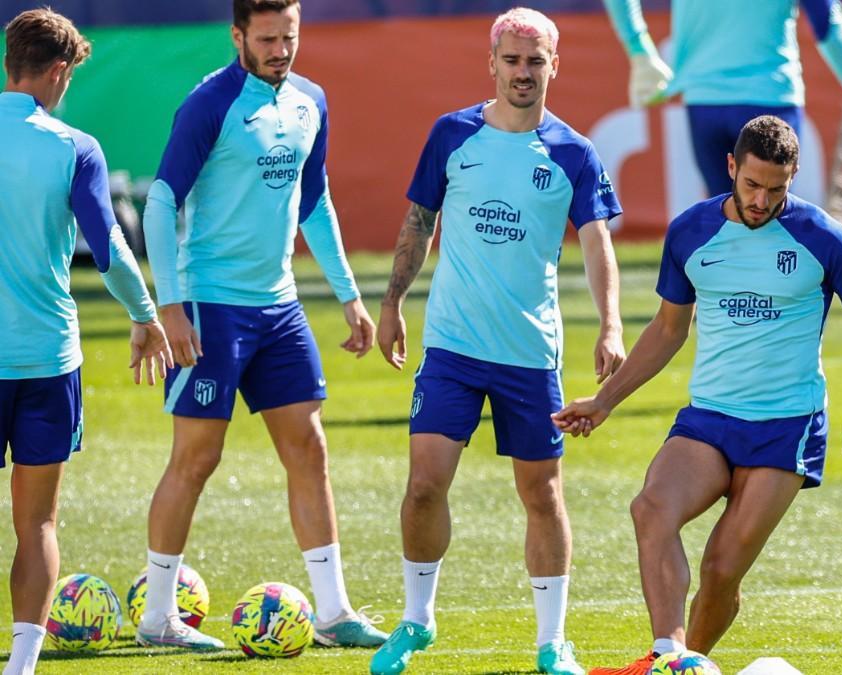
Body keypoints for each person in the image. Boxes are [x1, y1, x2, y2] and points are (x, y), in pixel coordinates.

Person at [552, 116, 842, 674]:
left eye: (776, 189)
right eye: (752, 185)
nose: (762, 200)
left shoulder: (823, 237)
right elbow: (668, 329)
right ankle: (669, 653)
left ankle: (689, 665)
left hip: (787, 428)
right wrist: (605, 400)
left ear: (793, 178)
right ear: (732, 168)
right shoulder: (691, 232)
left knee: (720, 571)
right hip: (708, 419)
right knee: (651, 509)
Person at [370, 7, 624, 675]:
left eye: (534, 61)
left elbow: (597, 245)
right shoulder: (452, 134)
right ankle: (417, 619)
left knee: (542, 493)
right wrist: (393, 303)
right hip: (452, 345)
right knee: (425, 484)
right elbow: (418, 221)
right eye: (511, 60)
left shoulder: (574, 152)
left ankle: (551, 642)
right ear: (492, 62)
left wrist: (612, 323)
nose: (522, 72)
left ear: (554, 66)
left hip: (530, 352)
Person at [136, 0, 385, 651]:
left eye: (290, 38)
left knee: (309, 448)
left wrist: (349, 296)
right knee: (196, 457)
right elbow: (161, 200)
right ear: (238, 35)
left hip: (279, 308)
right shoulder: (208, 103)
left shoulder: (311, 102)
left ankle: (332, 612)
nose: (281, 50)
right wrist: (170, 306)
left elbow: (315, 199)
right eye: (268, 39)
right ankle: (158, 616)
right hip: (210, 306)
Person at [0, 9, 172, 674]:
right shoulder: (75, 147)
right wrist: (146, 315)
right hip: (46, 360)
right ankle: (20, 667)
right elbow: (111, 252)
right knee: (36, 523)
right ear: (59, 71)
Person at [603, 0, 842, 198]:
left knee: (728, 224)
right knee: (769, 221)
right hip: (771, 98)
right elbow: (829, 26)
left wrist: (639, 49)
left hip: (706, 104)